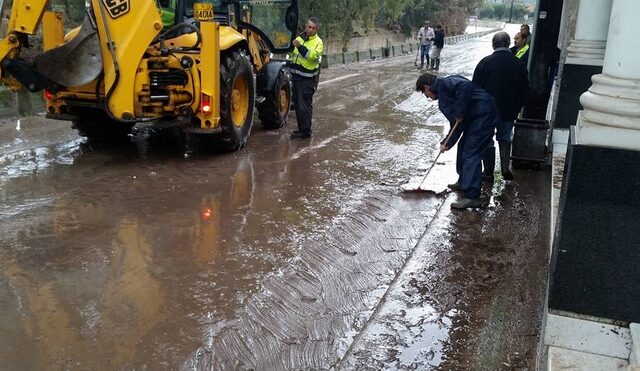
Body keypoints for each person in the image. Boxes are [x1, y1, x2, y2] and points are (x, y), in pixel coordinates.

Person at [415, 73, 500, 209]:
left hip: (484, 115)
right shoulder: (444, 92)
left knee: (470, 153)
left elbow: (466, 86)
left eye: (426, 94)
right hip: (476, 117)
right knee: (463, 145)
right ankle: (464, 181)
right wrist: (446, 144)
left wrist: (460, 112)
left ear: (427, 87)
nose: (428, 97)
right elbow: (456, 126)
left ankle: (472, 196)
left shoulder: (447, 83)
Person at [473, 31, 529, 181]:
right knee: (504, 138)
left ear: (493, 45)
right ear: (508, 44)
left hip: (487, 112)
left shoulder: (484, 63)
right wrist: (518, 107)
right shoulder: (518, 64)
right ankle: (505, 168)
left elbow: (474, 90)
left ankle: (489, 173)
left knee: (487, 140)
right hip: (509, 111)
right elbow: (525, 90)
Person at [289, 17, 324, 139]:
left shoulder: (318, 42)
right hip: (296, 76)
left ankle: (305, 131)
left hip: (307, 79)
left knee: (305, 105)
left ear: (316, 28)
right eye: (309, 27)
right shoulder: (299, 38)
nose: (310, 30)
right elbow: (293, 54)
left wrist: (300, 47)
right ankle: (302, 129)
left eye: (313, 28)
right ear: (305, 26)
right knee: (298, 104)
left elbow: (313, 56)